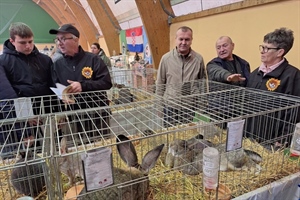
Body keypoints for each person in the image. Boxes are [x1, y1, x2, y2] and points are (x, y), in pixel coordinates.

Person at [49, 24, 112, 143]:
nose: (59, 43)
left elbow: (106, 82)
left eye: (63, 39)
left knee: (101, 147)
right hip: (75, 117)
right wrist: (62, 97)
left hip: (97, 114)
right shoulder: (58, 65)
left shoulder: (93, 60)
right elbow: (55, 86)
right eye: (57, 39)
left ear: (76, 39)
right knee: (81, 150)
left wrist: (83, 86)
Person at [0, 22, 54, 159]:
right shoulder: (3, 62)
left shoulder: (45, 60)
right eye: (23, 42)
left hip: (42, 116)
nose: (28, 46)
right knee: (21, 158)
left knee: (45, 154)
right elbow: (7, 95)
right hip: (16, 119)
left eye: (30, 41)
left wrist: (56, 115)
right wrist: (24, 125)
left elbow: (52, 88)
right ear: (12, 41)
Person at [246, 27, 300, 150]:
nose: (262, 51)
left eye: (267, 48)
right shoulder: (255, 73)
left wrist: (283, 140)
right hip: (251, 138)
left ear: (280, 52)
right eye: (262, 47)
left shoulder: (293, 76)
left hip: (274, 142)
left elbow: (295, 113)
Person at [156, 26, 206, 127]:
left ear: (191, 40)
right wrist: (159, 106)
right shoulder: (166, 59)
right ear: (176, 39)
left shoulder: (198, 59)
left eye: (187, 39)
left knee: (187, 137)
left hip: (189, 106)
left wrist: (202, 107)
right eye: (181, 39)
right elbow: (160, 83)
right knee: (170, 136)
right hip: (170, 106)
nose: (183, 42)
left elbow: (203, 84)